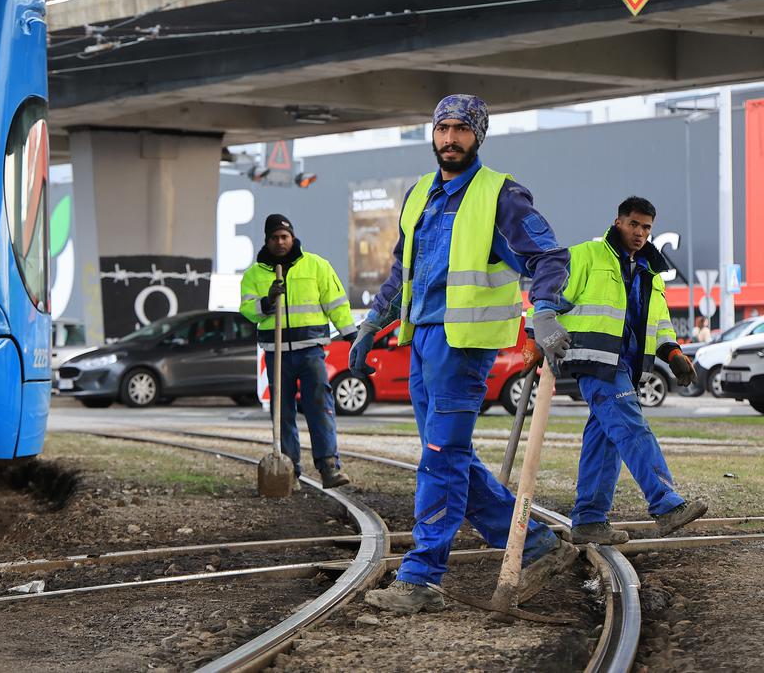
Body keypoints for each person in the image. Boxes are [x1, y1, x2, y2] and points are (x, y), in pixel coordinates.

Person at [350, 94, 579, 615]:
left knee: (438, 456)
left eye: (461, 129)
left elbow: (547, 255)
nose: (450, 138)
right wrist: (371, 324)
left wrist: (543, 310)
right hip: (423, 340)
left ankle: (422, 575)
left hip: (464, 346)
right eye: (442, 128)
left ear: (479, 136)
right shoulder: (417, 195)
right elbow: (400, 273)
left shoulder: (500, 195)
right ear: (432, 134)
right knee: (447, 451)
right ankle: (537, 543)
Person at [534, 197, 707, 545]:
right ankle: (666, 503)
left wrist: (671, 350)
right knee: (630, 426)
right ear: (618, 222)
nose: (640, 233)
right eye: (634, 224)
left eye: (646, 227)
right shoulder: (588, 255)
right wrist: (540, 323)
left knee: (606, 439)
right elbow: (549, 291)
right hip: (594, 359)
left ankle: (589, 520)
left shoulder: (649, 270)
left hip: (626, 367)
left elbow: (658, 320)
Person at [240, 214, 357, 490]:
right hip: (276, 351)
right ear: (267, 240)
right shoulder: (254, 275)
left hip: (311, 350)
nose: (280, 242)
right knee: (282, 413)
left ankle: (329, 466)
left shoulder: (317, 266)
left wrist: (351, 334)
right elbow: (247, 311)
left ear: (292, 237)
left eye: (284, 236)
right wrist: (267, 301)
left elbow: (336, 303)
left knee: (320, 405)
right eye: (275, 238)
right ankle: (289, 471)